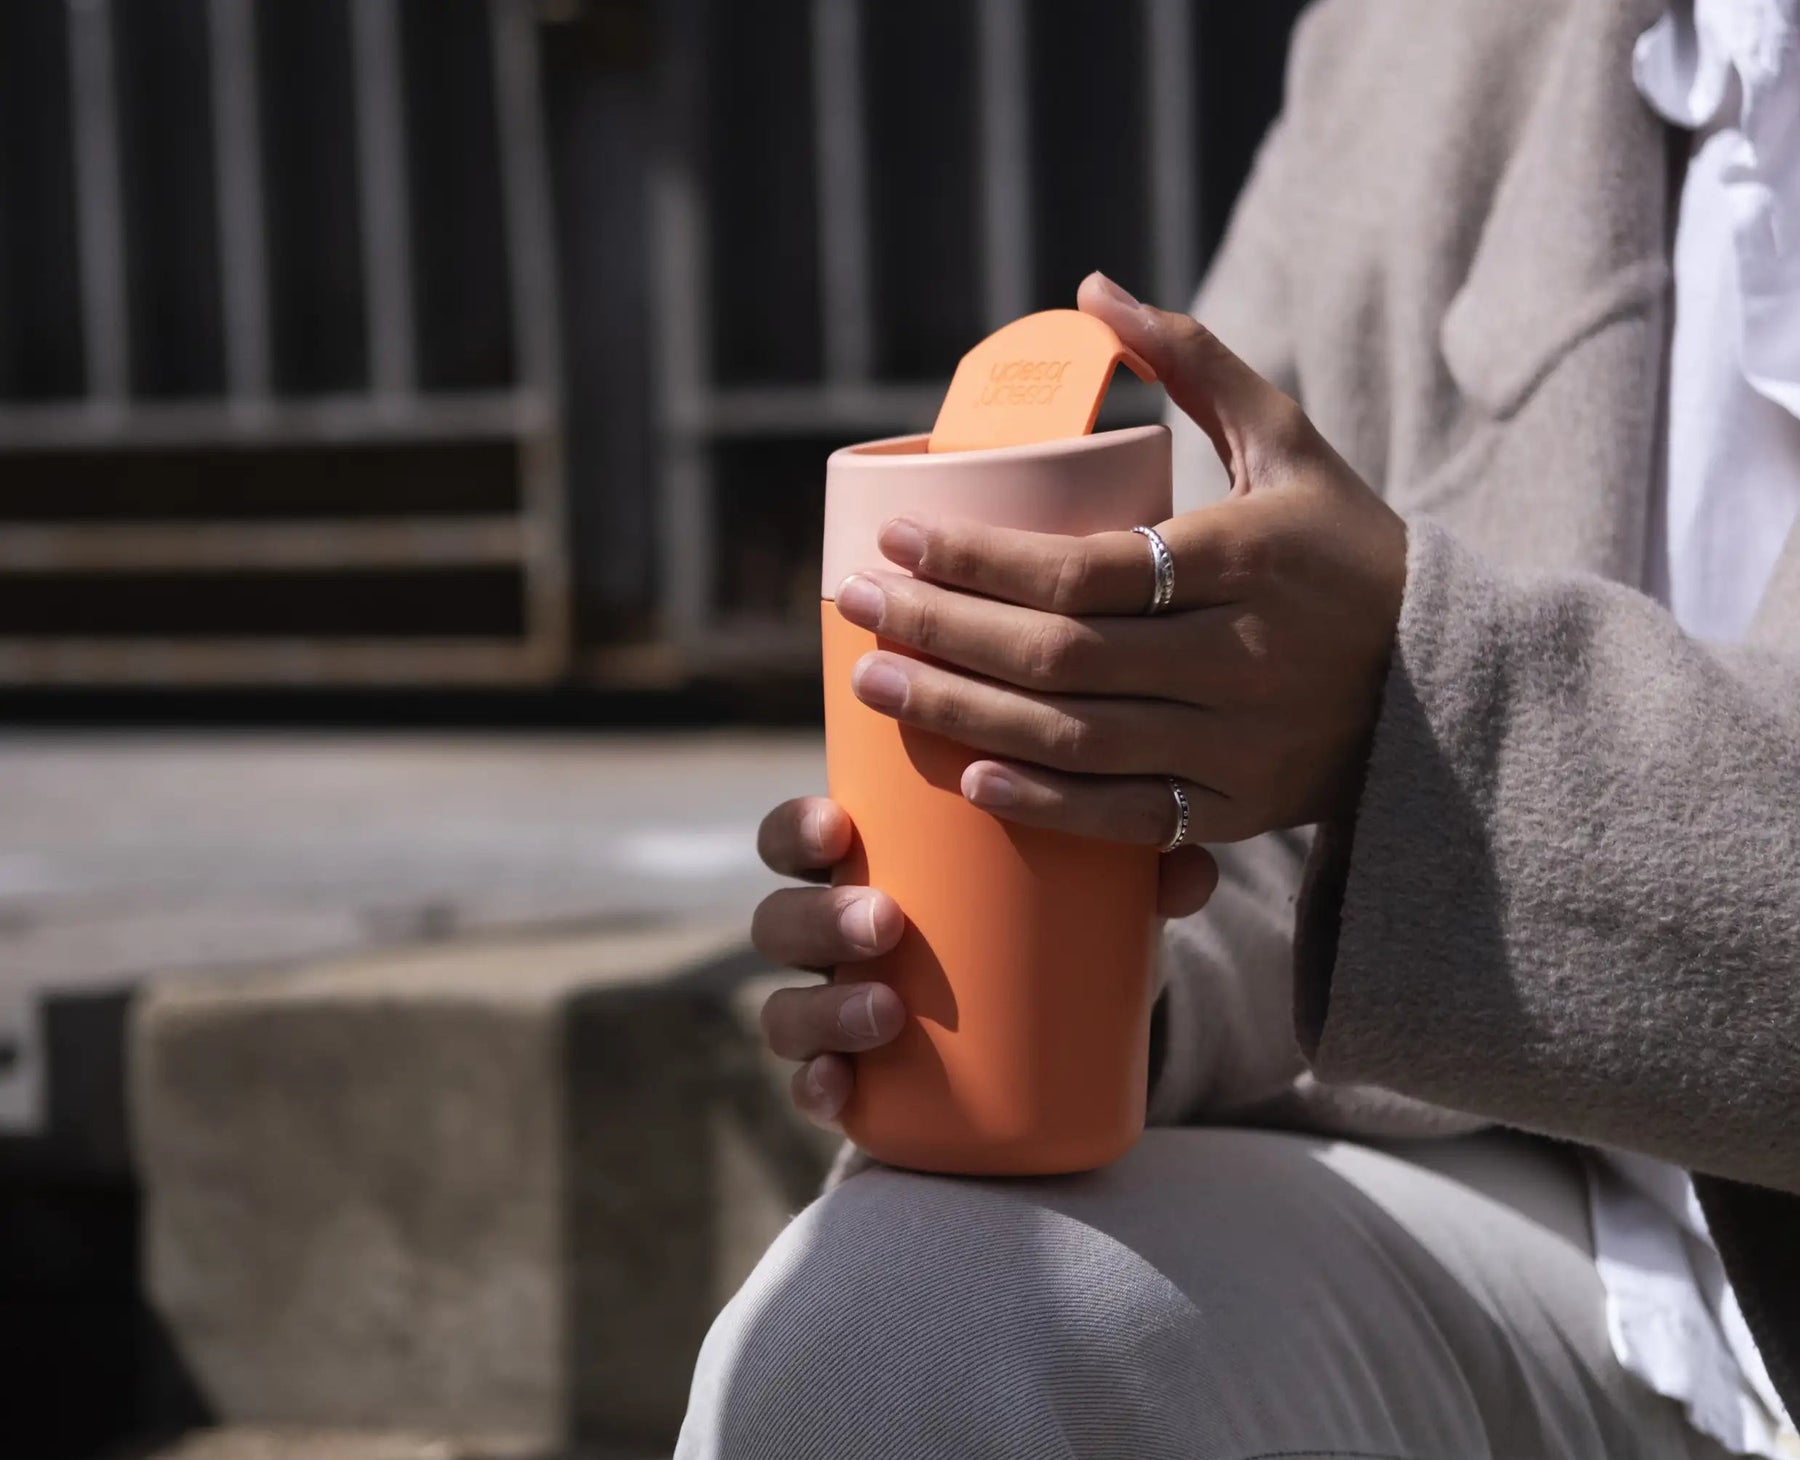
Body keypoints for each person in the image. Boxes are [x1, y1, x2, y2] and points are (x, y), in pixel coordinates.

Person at [679, 0, 1800, 1454]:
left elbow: (1350, 698)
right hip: (1582, 1241)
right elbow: (1255, 746)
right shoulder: (1425, 40)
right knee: (910, 1321)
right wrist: (1094, 964)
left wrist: (1416, 713)